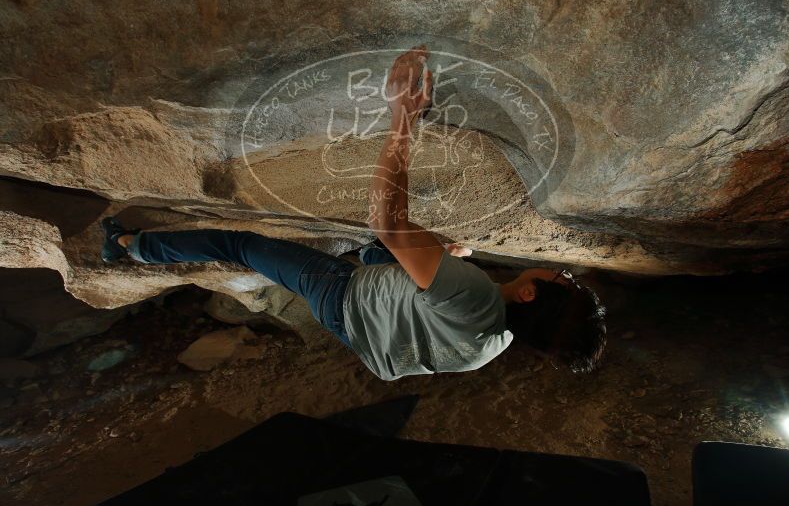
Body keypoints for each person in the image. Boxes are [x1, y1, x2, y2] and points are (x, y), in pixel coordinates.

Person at [100, 45, 606, 381]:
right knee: (400, 252)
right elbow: (430, 311)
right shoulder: (490, 347)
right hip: (371, 334)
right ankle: (375, 261)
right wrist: (444, 258)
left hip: (341, 296)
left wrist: (403, 118)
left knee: (243, 247)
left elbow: (386, 221)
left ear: (531, 292)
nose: (563, 270)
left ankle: (130, 247)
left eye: (565, 279)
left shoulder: (470, 295)